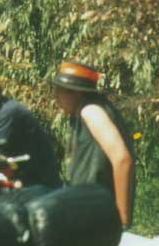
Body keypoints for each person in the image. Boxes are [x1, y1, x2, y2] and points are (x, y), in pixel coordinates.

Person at [52, 61, 135, 228]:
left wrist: (122, 222)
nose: (56, 98)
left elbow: (122, 160)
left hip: (96, 216)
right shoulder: (81, 113)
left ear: (76, 93)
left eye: (60, 92)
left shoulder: (91, 111)